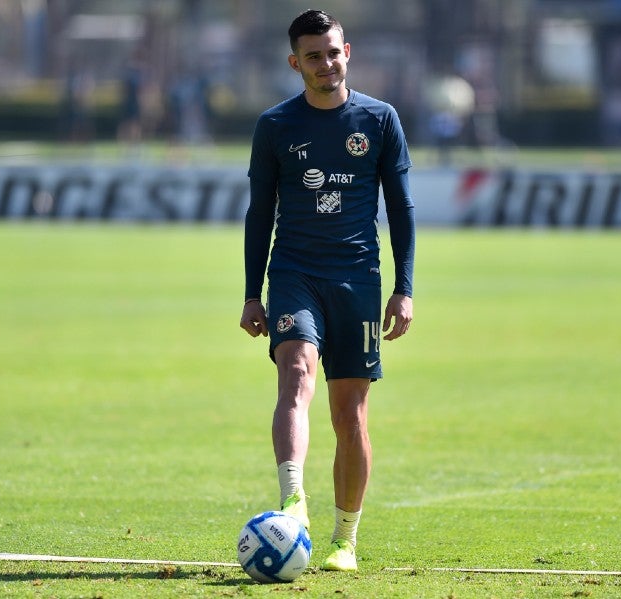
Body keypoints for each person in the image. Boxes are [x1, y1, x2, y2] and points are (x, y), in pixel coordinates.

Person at [239, 9, 415, 573]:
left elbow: (402, 209)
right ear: (296, 63)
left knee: (350, 415)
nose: (325, 63)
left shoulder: (380, 120)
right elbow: (259, 212)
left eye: (333, 52)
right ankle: (293, 498)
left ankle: (345, 540)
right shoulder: (275, 126)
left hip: (359, 279)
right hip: (293, 271)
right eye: (313, 56)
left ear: (348, 53)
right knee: (295, 374)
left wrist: (403, 288)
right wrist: (251, 293)